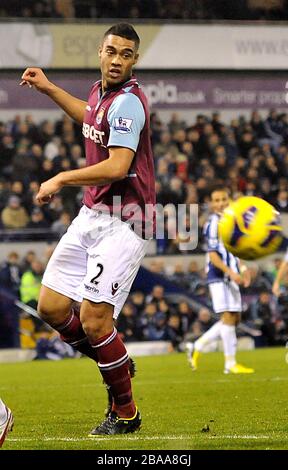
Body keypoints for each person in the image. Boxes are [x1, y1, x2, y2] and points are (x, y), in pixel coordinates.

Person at [20, 23, 155, 435]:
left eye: (126, 54)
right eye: (112, 51)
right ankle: (113, 361)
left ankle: (126, 414)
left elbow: (117, 166)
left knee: (96, 321)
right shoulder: (101, 94)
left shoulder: (130, 102)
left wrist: (61, 177)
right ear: (100, 52)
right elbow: (90, 117)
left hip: (126, 220)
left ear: (134, 60)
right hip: (92, 214)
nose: (117, 60)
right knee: (52, 307)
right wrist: (49, 89)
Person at [187, 184, 254, 374]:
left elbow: (235, 250)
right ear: (211, 204)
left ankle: (197, 345)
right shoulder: (213, 224)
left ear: (229, 200)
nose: (221, 203)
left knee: (235, 317)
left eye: (224, 199)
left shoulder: (232, 222)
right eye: (217, 200)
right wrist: (230, 272)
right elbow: (214, 255)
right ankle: (230, 363)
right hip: (218, 276)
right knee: (228, 316)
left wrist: (243, 268)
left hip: (231, 275)